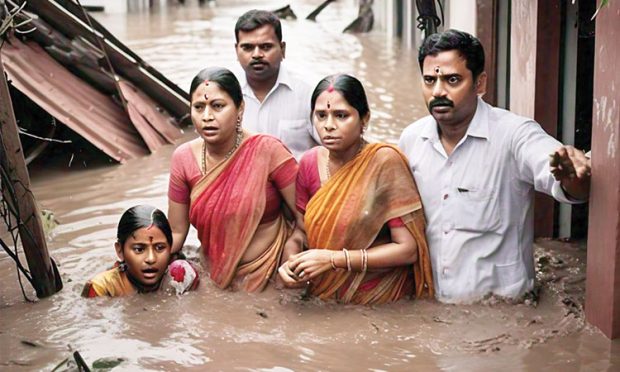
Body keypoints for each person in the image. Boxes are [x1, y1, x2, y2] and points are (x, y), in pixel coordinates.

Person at [398, 29, 592, 303]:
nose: (438, 91)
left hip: (501, 315)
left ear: (480, 84)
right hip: (431, 307)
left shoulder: (514, 135)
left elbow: (564, 178)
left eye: (452, 80)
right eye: (430, 80)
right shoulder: (411, 140)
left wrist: (573, 175)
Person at [279, 74, 434, 305]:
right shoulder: (310, 163)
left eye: (341, 115)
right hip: (326, 293)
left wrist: (335, 260)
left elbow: (408, 249)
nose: (328, 125)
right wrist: (291, 262)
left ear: (364, 119)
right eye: (321, 116)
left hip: (380, 299)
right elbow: (301, 232)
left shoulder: (384, 163)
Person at [167, 67, 304, 292]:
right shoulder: (183, 158)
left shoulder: (269, 151)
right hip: (215, 278)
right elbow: (176, 232)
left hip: (272, 276)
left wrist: (292, 254)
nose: (207, 117)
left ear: (240, 108)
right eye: (198, 107)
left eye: (218, 106)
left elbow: (306, 219)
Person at [234, 9, 319, 159]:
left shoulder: (309, 97)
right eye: (247, 47)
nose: (257, 55)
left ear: (282, 49)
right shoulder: (226, 97)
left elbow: (333, 152)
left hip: (297, 181)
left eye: (266, 47)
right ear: (236, 51)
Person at [82, 205, 199, 297]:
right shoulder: (102, 288)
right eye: (139, 249)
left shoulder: (181, 277)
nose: (151, 259)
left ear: (170, 248)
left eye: (160, 248)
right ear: (120, 251)